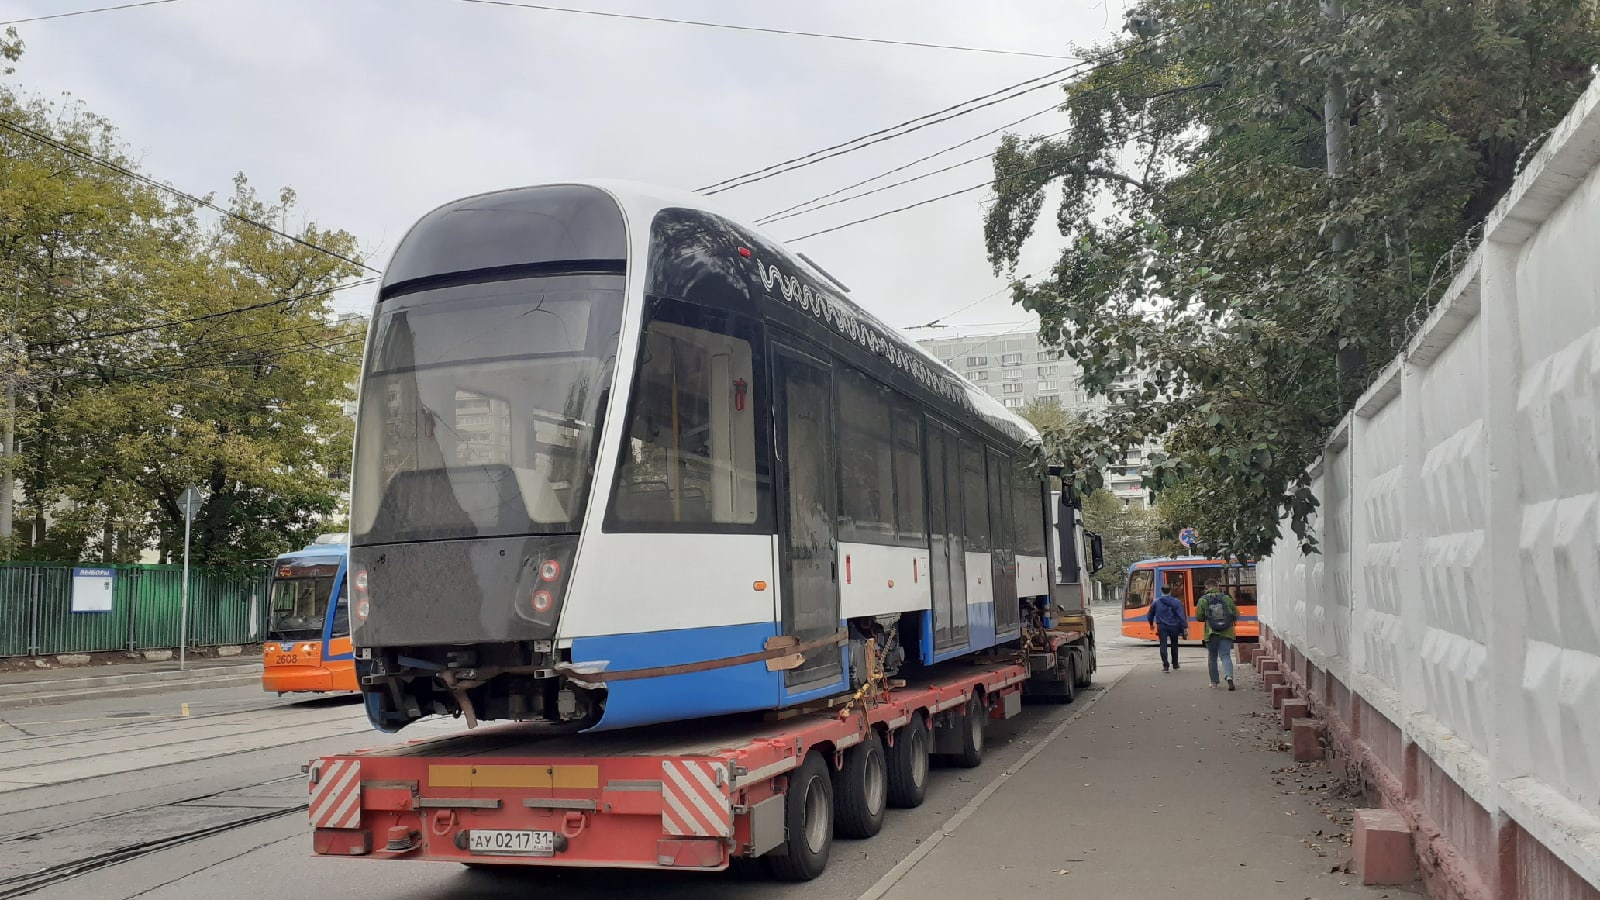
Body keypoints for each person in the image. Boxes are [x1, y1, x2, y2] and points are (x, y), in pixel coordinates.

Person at [1196, 579, 1239, 690]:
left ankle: (1214, 682)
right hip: (1227, 631)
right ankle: (1229, 676)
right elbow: (1235, 614)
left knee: (1212, 657)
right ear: (1218, 586)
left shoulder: (1203, 600)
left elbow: (1199, 617)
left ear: (1206, 587)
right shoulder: (1226, 598)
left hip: (1211, 632)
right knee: (1225, 655)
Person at [1146, 580, 1187, 672]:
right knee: (1174, 644)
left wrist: (1151, 624)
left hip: (1162, 626)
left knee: (1163, 644)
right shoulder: (1176, 602)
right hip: (1174, 626)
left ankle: (1165, 665)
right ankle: (1175, 664)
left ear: (1161, 591)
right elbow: (1181, 615)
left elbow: (1150, 615)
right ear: (1170, 591)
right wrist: (1185, 627)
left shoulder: (1156, 602)